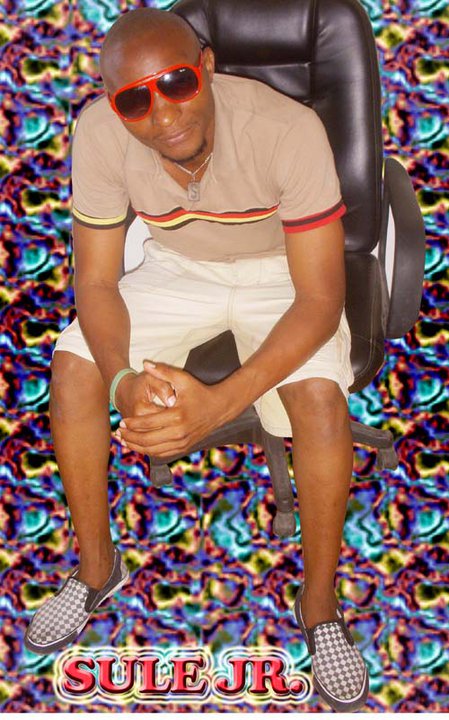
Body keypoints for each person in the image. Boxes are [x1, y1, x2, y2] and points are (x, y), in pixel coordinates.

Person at [24, 6, 369, 712]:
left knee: (319, 404)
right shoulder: (99, 134)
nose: (162, 114)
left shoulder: (287, 130)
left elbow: (318, 299)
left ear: (206, 67)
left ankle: (318, 606)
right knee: (74, 371)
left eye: (177, 82)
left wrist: (217, 404)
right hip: (177, 265)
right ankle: (96, 569)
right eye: (133, 99)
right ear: (111, 103)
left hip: (284, 272)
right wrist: (121, 380)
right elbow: (96, 282)